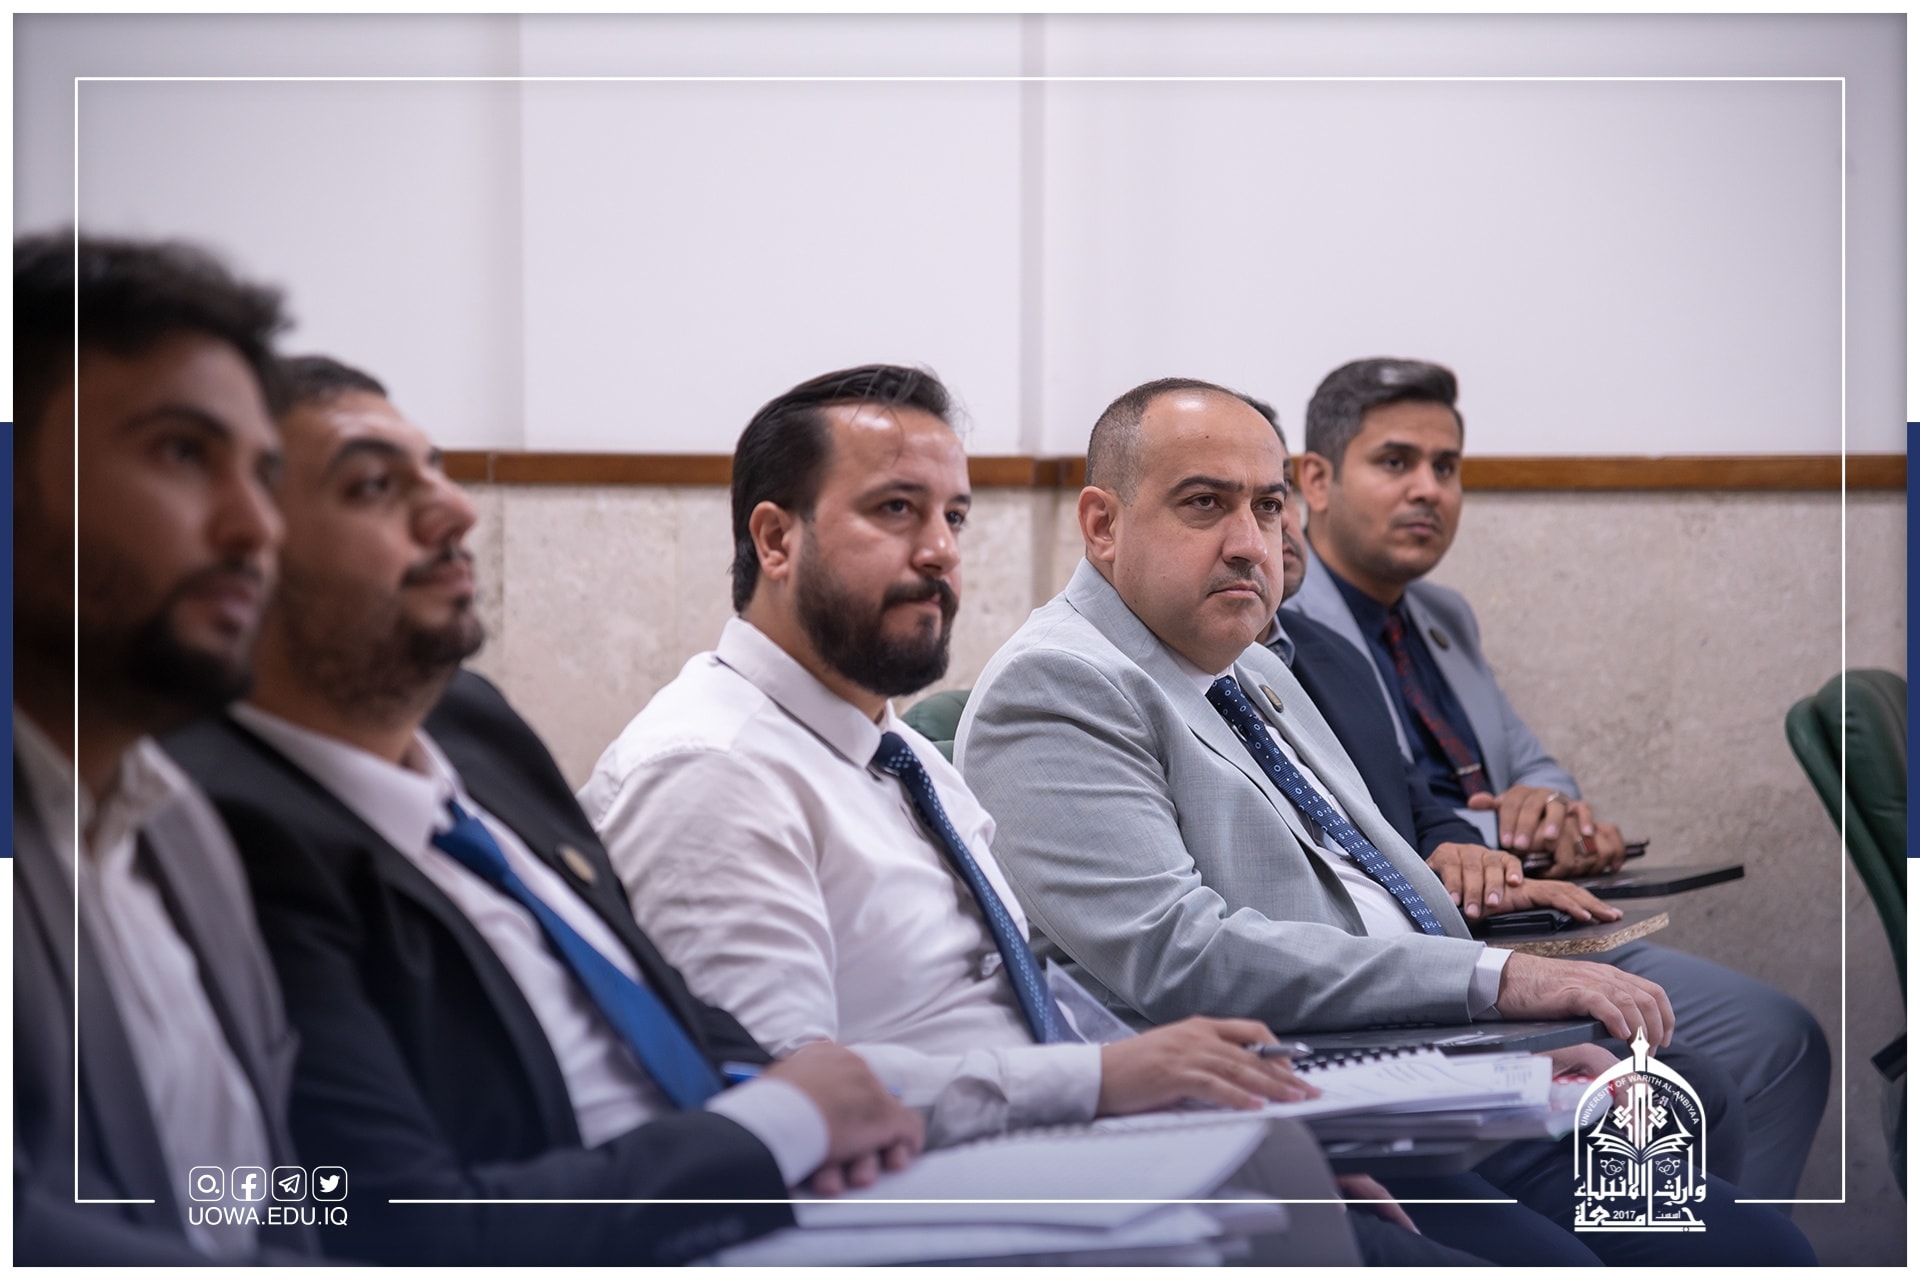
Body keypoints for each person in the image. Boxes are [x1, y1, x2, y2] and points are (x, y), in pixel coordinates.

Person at [580, 364, 1472, 1266]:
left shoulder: (894, 750)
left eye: (954, 517)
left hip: (1072, 1172)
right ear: (777, 539)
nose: (939, 551)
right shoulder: (713, 771)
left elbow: (1030, 1005)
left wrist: (1223, 1132)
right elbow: (779, 1105)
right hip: (954, 1226)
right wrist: (1105, 1087)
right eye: (896, 511)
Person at [957, 376, 1815, 1264]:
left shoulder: (1248, 663)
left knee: (1757, 1243)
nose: (1250, 544)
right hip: (1295, 1103)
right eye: (1204, 505)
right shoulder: (1060, 685)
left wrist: (1507, 1053)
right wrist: (1494, 981)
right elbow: (1184, 958)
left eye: (1266, 506)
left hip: (1418, 1069)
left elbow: (1378, 872)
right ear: (1102, 524)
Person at [164, 356, 923, 1265]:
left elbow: (649, 989)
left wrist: (794, 1095)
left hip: (771, 1191)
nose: (456, 511)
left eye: (436, 470)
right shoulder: (225, 828)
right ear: (239, 551)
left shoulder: (469, 719)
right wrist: (774, 1128)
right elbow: (395, 1226)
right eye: (372, 487)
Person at [1283, 356, 1829, 1200]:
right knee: (1744, 1051)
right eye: (1396, 462)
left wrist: (1552, 808)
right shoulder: (1277, 617)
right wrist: (1509, 833)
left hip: (1535, 916)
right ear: (1315, 481)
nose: (1428, 489)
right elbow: (1363, 812)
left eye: (1446, 467)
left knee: (1779, 1037)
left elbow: (1528, 760)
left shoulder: (1440, 615)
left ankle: (1715, 1242)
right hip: (1440, 935)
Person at [12, 232, 317, 1263]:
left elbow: (274, 1203)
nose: (256, 529)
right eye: (182, 452)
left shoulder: (183, 827)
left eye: (264, 476)